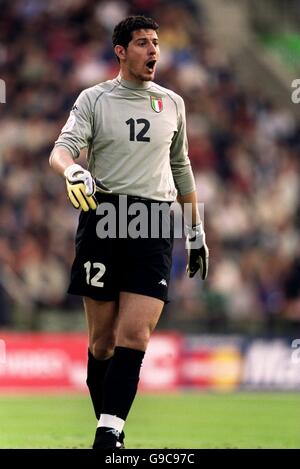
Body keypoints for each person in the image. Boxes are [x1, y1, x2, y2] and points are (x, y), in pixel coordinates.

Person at [49, 15, 209, 449]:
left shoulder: (173, 103)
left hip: (155, 220)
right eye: (142, 43)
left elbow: (181, 168)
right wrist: (73, 171)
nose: (153, 50)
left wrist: (195, 231)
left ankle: (109, 434)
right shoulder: (95, 99)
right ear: (120, 51)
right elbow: (60, 151)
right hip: (104, 216)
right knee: (101, 343)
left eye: (156, 42)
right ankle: (112, 426)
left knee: (134, 334)